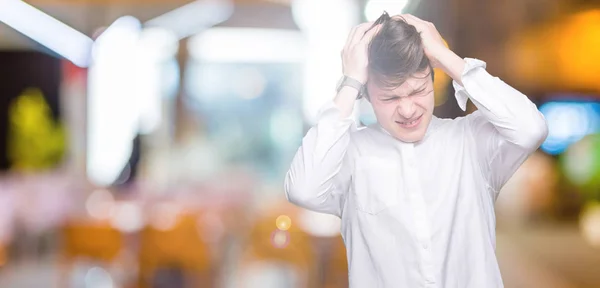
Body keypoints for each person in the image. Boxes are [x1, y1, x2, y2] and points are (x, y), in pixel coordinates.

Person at [284, 12, 548, 288]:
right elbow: (303, 188)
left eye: (419, 90)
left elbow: (531, 129)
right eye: (390, 97)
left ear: (433, 78)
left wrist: (444, 56)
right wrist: (350, 80)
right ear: (367, 94)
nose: (408, 109)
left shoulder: (470, 142)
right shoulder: (352, 155)